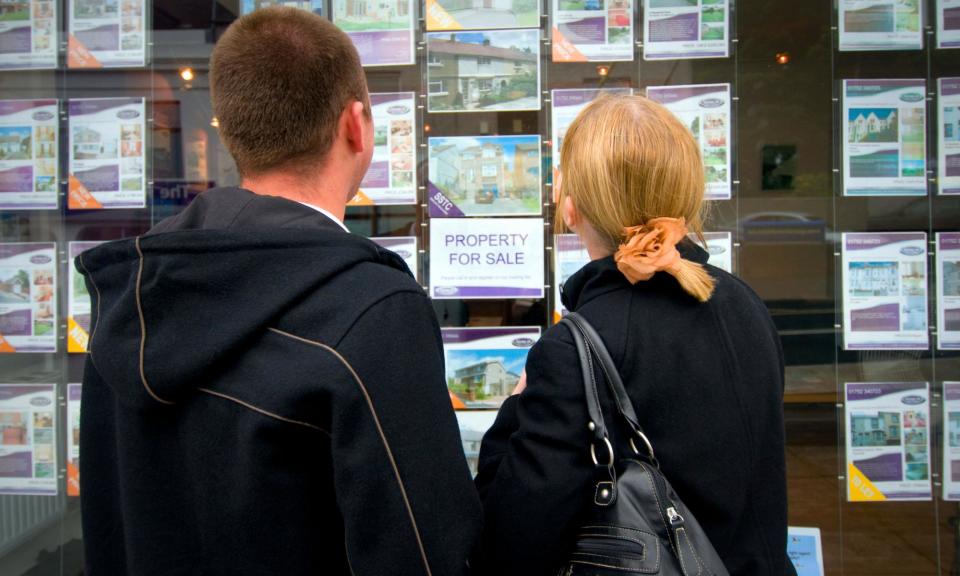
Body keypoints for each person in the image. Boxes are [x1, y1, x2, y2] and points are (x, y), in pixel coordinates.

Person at [77, 7, 481, 575]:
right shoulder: (372, 310)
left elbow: (108, 520)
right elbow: (427, 552)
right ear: (356, 125)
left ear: (230, 129)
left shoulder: (130, 292)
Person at [474, 94, 794, 576]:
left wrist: (515, 408)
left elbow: (510, 542)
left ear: (571, 205)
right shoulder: (743, 303)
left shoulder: (577, 346)